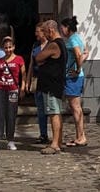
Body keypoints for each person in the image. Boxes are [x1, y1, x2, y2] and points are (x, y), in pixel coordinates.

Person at [0, 36, 26, 151]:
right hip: (0, 89)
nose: (8, 49)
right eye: (6, 47)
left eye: (10, 47)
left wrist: (22, 88)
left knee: (11, 114)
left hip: (13, 90)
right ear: (3, 48)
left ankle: (11, 140)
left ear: (13, 47)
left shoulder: (19, 59)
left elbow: (24, 75)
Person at [33, 19, 66, 154]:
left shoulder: (54, 45)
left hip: (51, 85)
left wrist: (43, 58)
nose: (45, 35)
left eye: (46, 32)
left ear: (51, 30)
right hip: (54, 84)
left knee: (53, 113)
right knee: (56, 112)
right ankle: (58, 141)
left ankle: (54, 144)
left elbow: (38, 57)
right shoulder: (60, 44)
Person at [60, 15, 88, 147]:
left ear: (67, 28)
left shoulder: (72, 40)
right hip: (75, 76)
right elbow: (84, 53)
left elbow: (78, 54)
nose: (61, 30)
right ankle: (80, 136)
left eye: (62, 27)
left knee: (75, 107)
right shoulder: (77, 38)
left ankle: (81, 137)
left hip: (73, 78)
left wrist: (77, 69)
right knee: (77, 107)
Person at [30, 24, 49, 144]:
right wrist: (28, 80)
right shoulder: (35, 45)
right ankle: (43, 134)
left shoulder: (50, 45)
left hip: (47, 79)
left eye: (38, 32)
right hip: (37, 78)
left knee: (49, 108)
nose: (36, 34)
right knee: (40, 108)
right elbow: (31, 63)